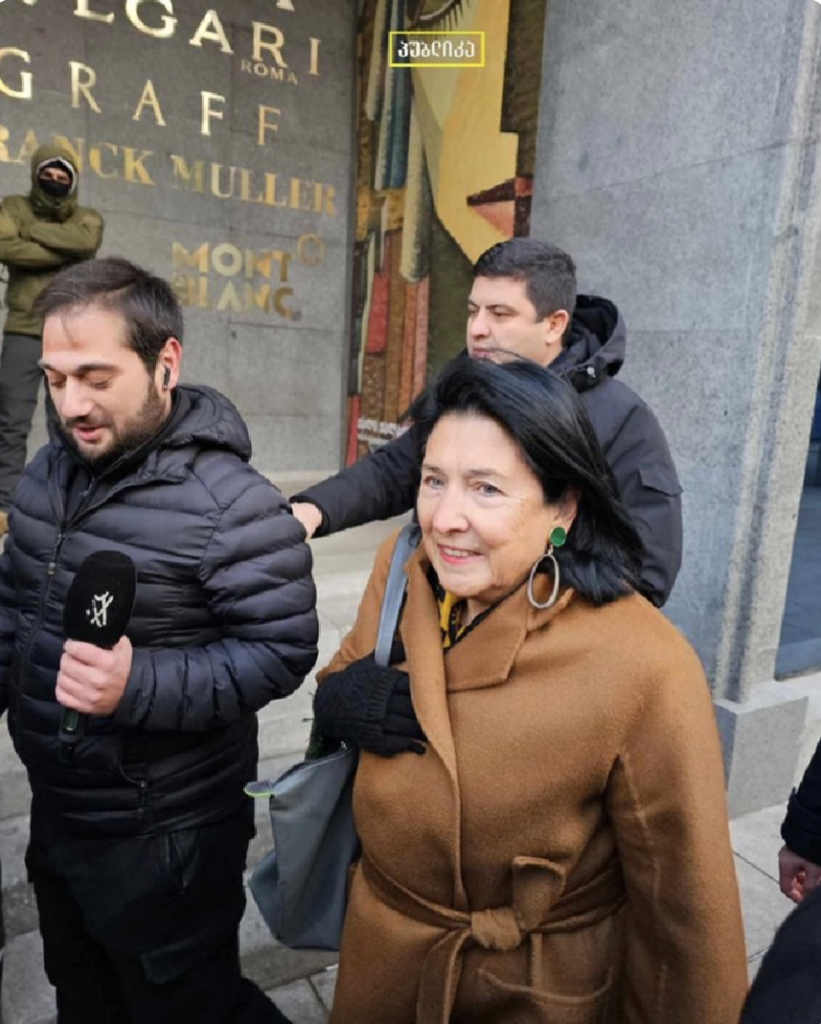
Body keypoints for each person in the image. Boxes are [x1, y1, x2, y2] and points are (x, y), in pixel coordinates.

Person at [311, 357, 747, 1023]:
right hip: (382, 961)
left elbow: (685, 915)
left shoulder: (645, 665)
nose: (445, 517)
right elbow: (343, 668)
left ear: (562, 510)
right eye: (433, 480)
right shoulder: (403, 568)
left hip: (529, 988)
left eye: (485, 489)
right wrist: (341, 697)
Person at [0, 257, 317, 1024]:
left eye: (96, 377)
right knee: (85, 994)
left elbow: (280, 650)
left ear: (165, 363)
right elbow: (16, 611)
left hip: (165, 835)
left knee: (183, 1006)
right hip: (60, 813)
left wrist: (137, 685)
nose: (69, 403)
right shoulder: (45, 475)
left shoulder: (233, 505)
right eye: (53, 377)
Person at [293, 238, 682, 607]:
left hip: (539, 651)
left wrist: (525, 607)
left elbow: (647, 571)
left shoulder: (622, 419)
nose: (477, 328)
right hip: (435, 620)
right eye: (473, 310)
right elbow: (396, 468)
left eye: (500, 314)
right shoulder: (462, 387)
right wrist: (311, 511)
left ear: (554, 324)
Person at [0, 143, 104, 536]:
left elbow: (86, 244)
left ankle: (63, 503)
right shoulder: (12, 207)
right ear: (35, 173)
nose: (56, 181)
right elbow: (4, 245)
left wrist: (33, 235)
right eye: (49, 174)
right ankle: (4, 506)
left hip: (68, 331)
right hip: (25, 328)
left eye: (64, 176)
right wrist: (61, 248)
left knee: (67, 419)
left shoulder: (88, 218)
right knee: (11, 420)